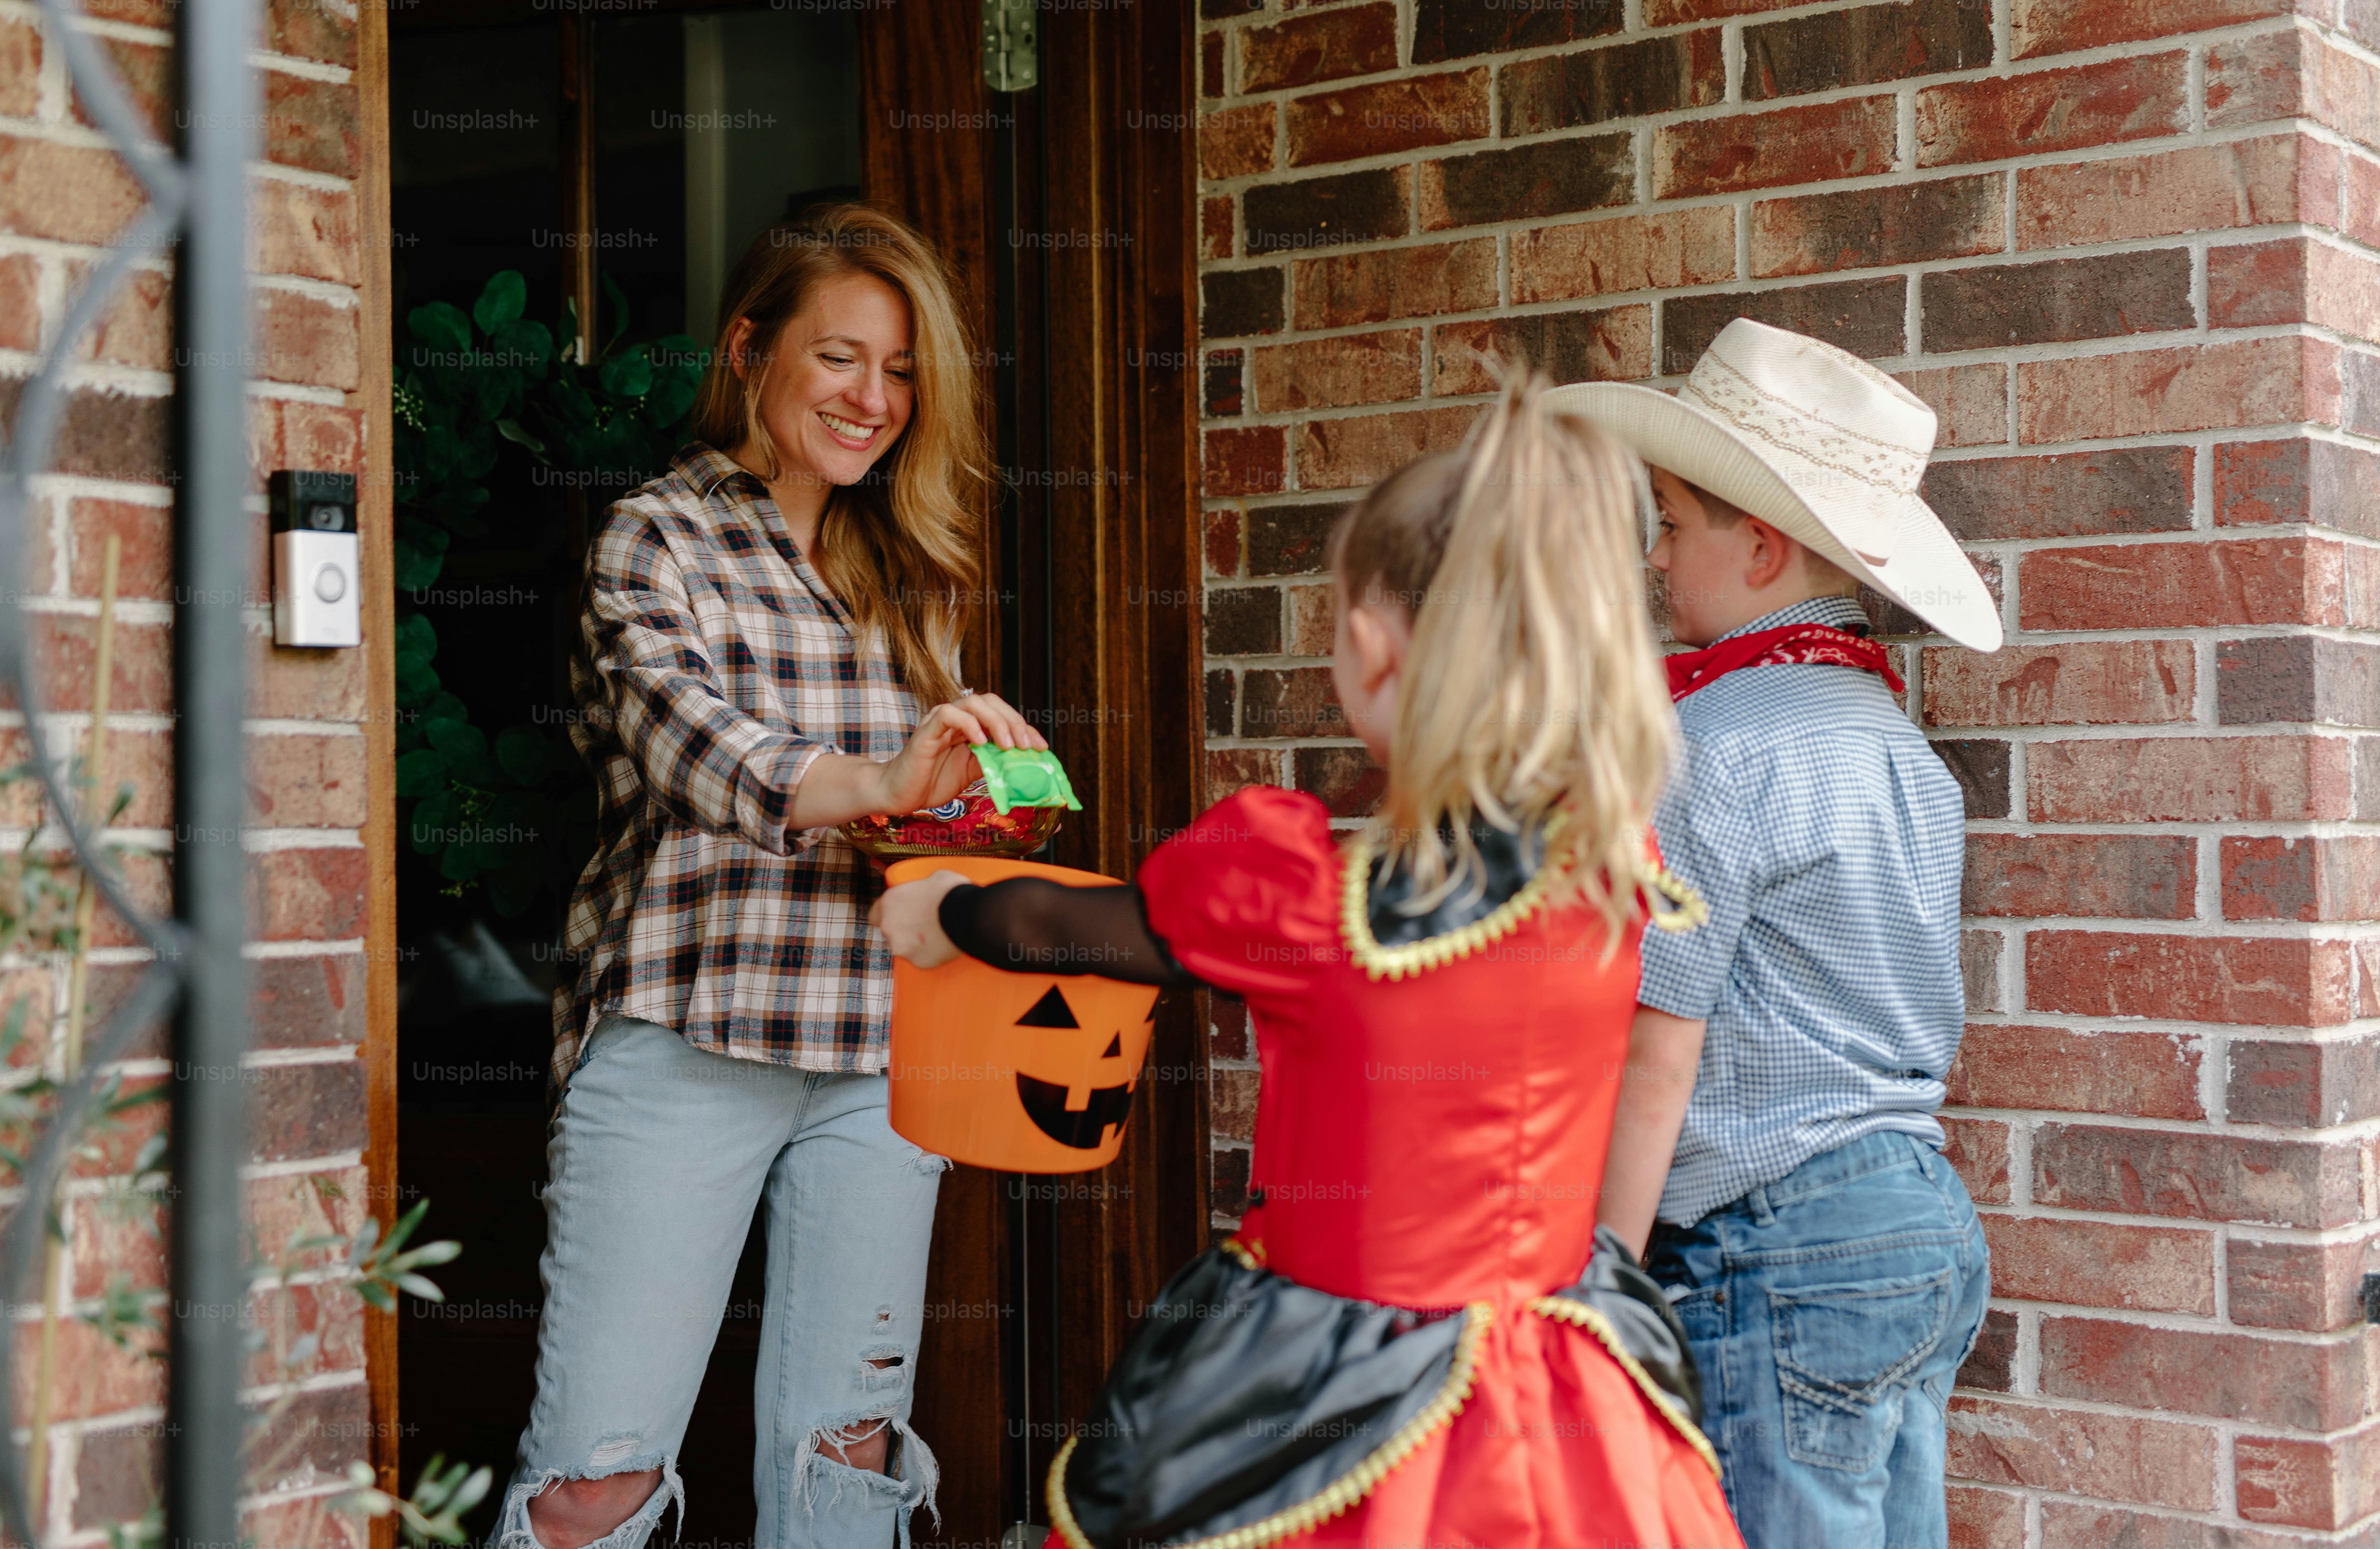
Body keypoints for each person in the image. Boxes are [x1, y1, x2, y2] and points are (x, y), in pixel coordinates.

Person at [875, 378, 1745, 1549]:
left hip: (1343, 1386)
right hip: (1560, 1366)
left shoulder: (1312, 902)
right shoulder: (1610, 862)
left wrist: (945, 913)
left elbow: (1068, 930)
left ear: (1376, 654)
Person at [495, 201, 1045, 1549]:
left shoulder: (913, 571)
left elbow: (934, 841)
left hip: (876, 1055)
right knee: (598, 1478)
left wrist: (997, 796)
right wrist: (885, 782)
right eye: (841, 357)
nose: (875, 399)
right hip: (688, 1041)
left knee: (848, 1461)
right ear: (751, 351)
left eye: (903, 371)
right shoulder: (656, 540)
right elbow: (697, 750)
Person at [1561, 318, 1999, 1549]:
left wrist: (1601, 1278)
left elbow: (1661, 1055)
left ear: (1757, 547)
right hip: (1917, 1223)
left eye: (1671, 522)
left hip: (1780, 1247)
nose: (1654, 558)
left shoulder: (1709, 747)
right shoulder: (1900, 749)